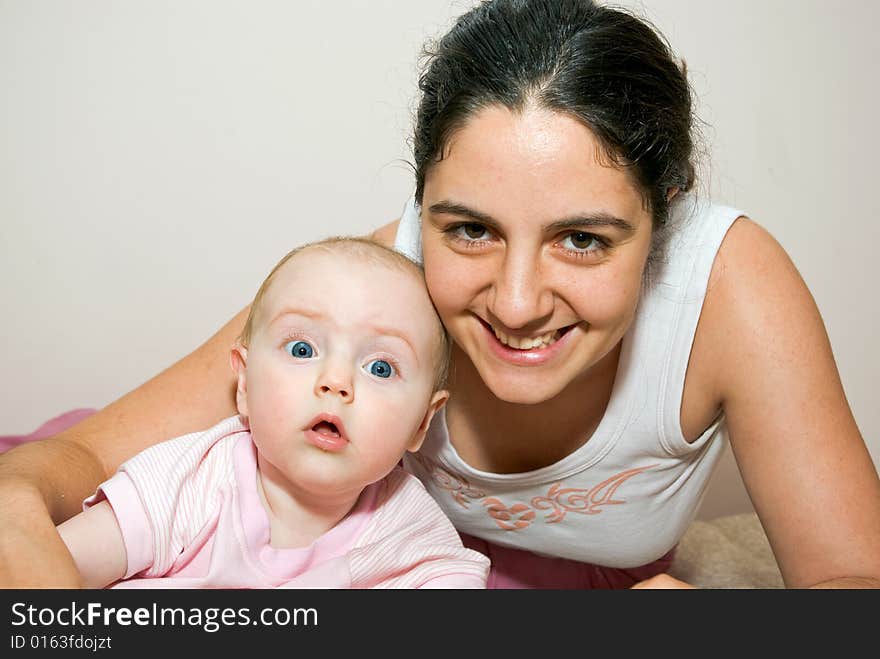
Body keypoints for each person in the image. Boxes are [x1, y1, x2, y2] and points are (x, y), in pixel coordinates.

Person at [2, 0, 879, 589]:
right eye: (469, 229)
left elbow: (854, 580)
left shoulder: (731, 289)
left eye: (582, 238)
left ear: (667, 217)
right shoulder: (381, 290)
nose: (518, 299)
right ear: (422, 204)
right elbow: (66, 466)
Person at [53, 237, 490, 588]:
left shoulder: (408, 532)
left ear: (421, 423)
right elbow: (46, 572)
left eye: (380, 367)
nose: (336, 381)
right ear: (244, 382)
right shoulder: (190, 481)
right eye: (303, 349)